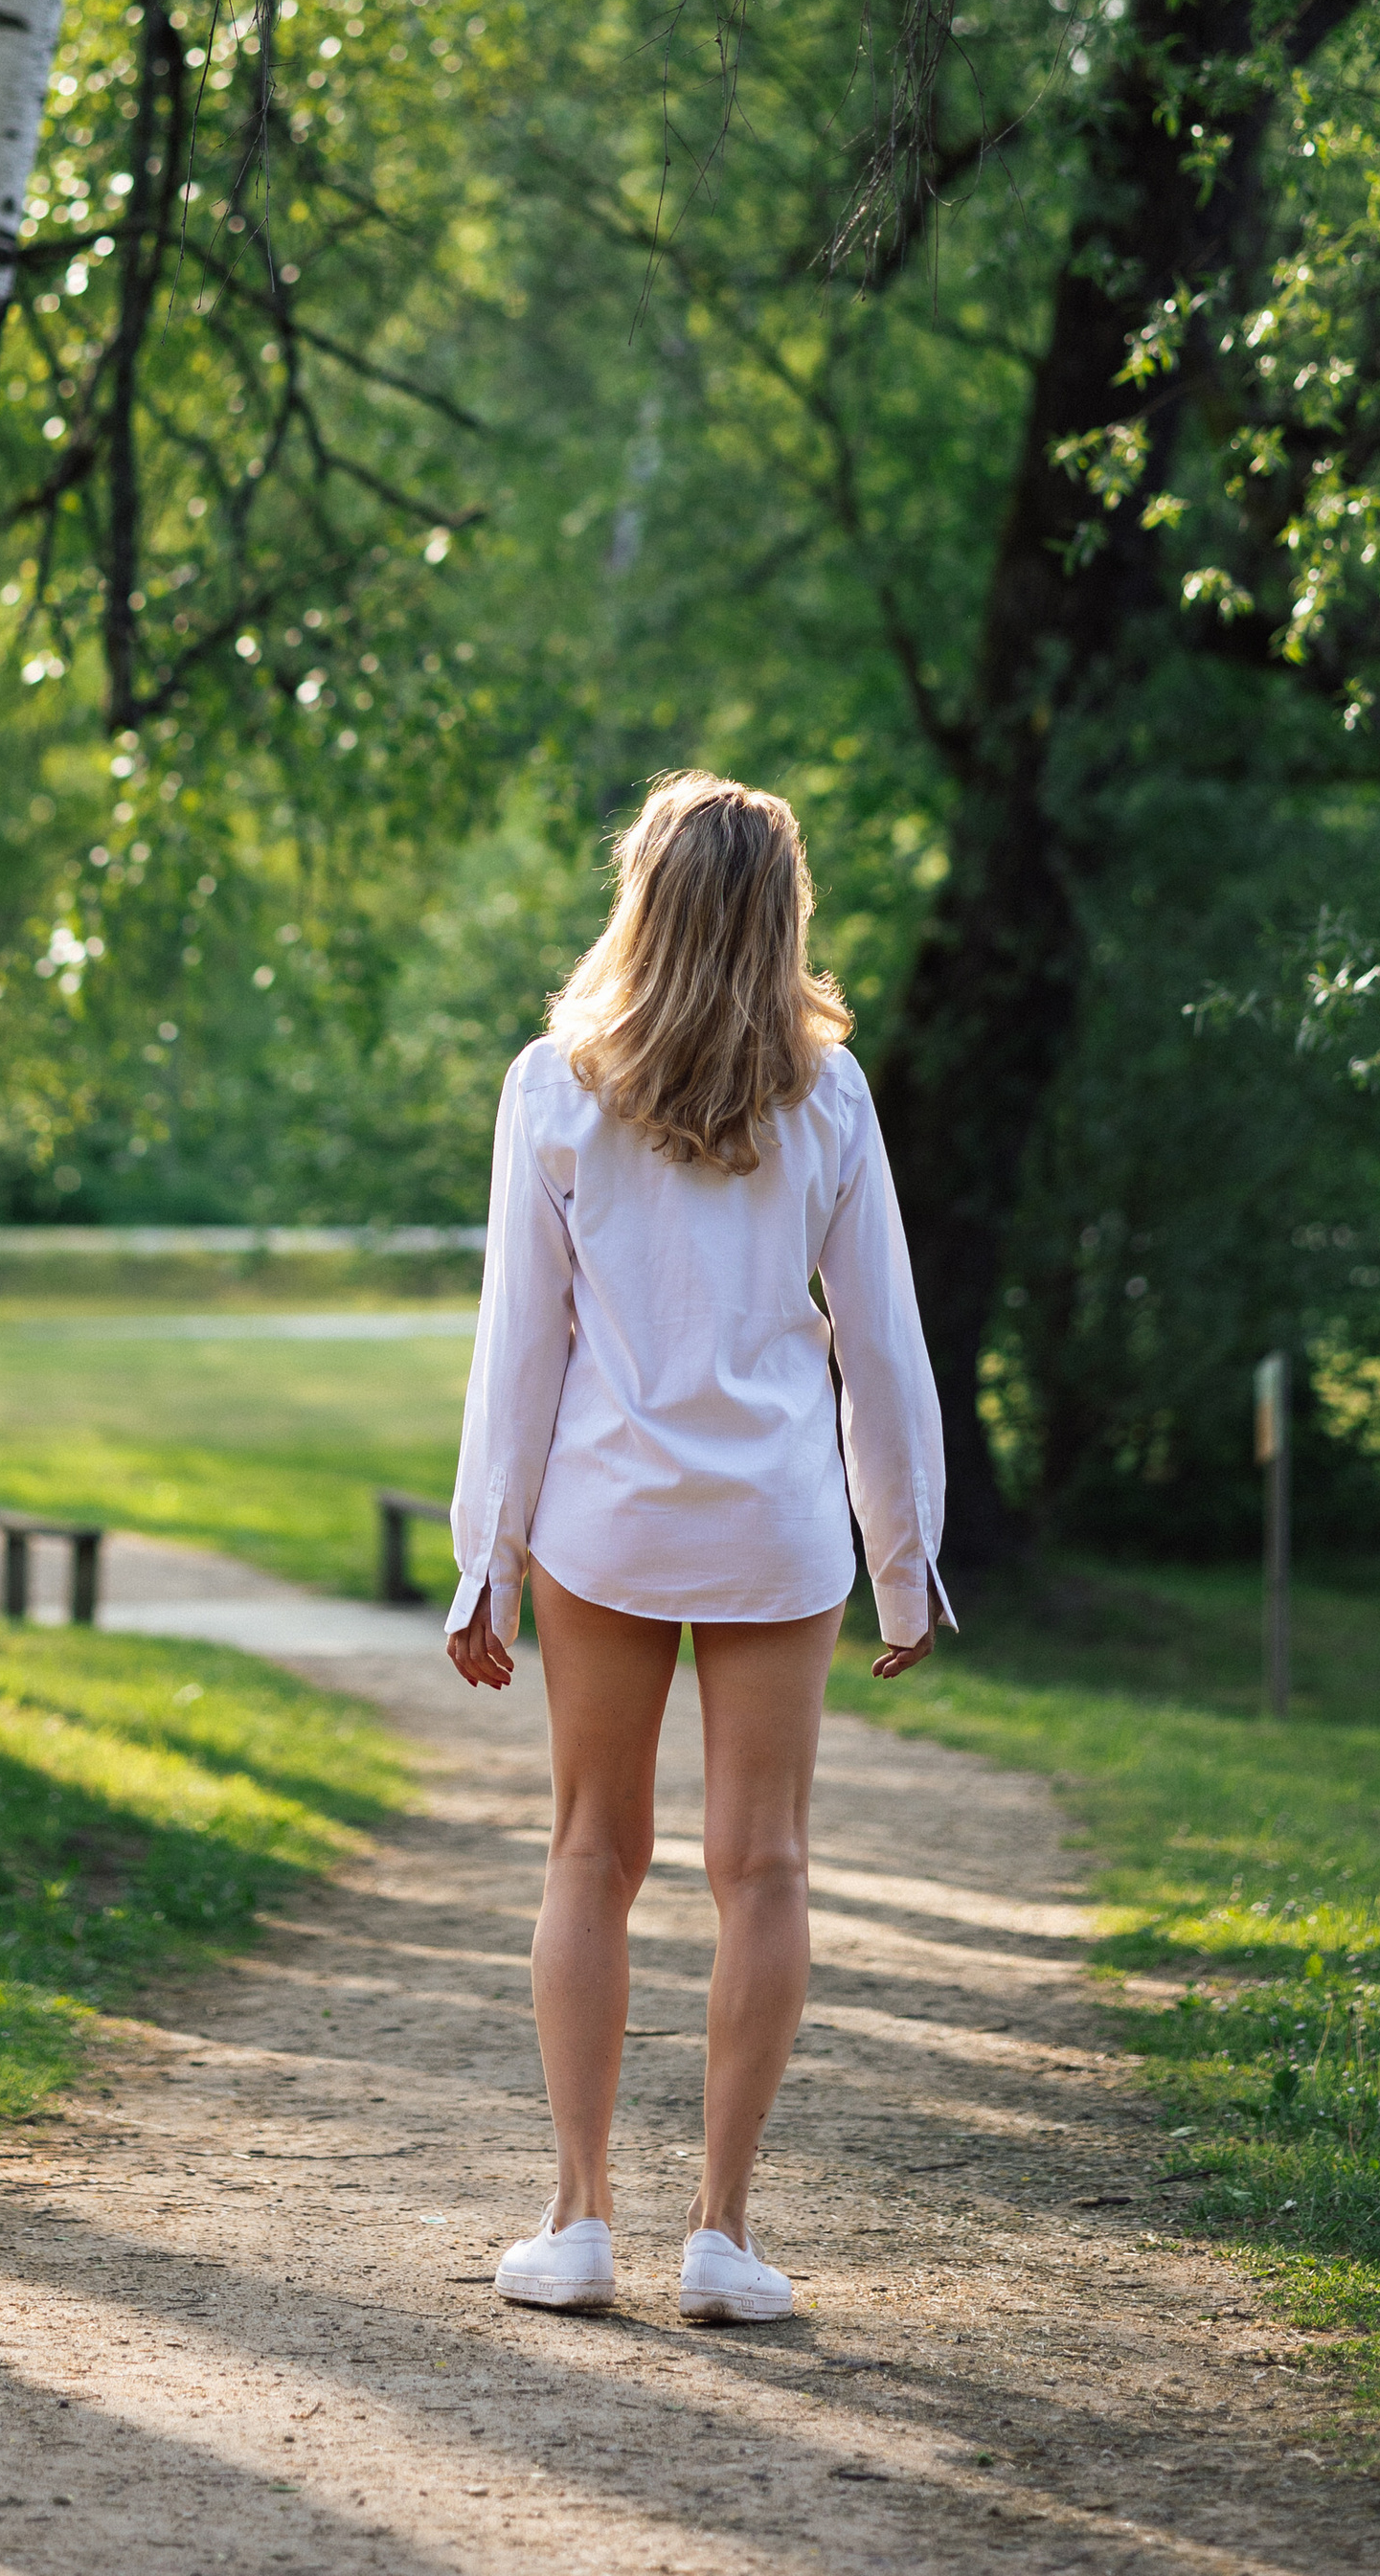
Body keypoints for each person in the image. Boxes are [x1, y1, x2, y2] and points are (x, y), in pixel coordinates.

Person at [444, 769, 952, 2326]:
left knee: (591, 1853)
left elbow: (518, 1348)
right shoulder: (830, 1094)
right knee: (765, 1864)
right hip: (777, 1526)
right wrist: (906, 1556)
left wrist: (488, 1559)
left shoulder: (555, 1085)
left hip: (606, 1517)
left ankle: (579, 2219)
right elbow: (883, 1343)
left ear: (643, 901)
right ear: (782, 914)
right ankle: (722, 2237)